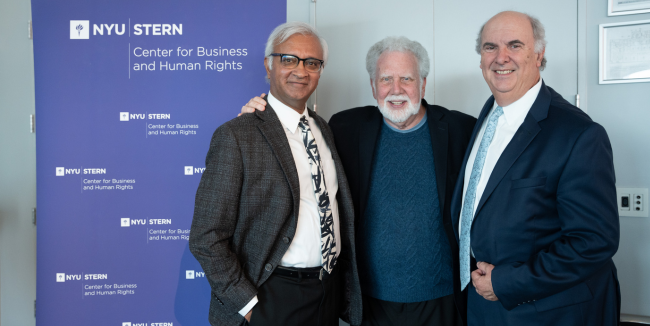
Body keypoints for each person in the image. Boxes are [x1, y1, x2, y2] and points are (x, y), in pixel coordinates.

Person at [242, 36, 476, 326]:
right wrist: (259, 119)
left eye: (406, 78)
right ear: (372, 86)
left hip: (442, 300)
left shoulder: (462, 129)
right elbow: (295, 148)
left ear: (423, 83)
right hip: (369, 302)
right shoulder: (345, 127)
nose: (396, 89)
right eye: (386, 79)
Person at [451, 11, 620, 325]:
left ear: (539, 55)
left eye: (515, 45)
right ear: (480, 59)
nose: (501, 58)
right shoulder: (489, 114)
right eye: (490, 47)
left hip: (545, 311)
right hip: (482, 306)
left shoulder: (579, 134)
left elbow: (594, 241)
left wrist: (504, 283)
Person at [190, 21, 362, 326]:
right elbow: (206, 237)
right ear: (269, 66)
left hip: (327, 291)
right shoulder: (237, 135)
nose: (301, 70)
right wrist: (249, 305)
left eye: (312, 62)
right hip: (271, 295)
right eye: (289, 59)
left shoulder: (324, 129)